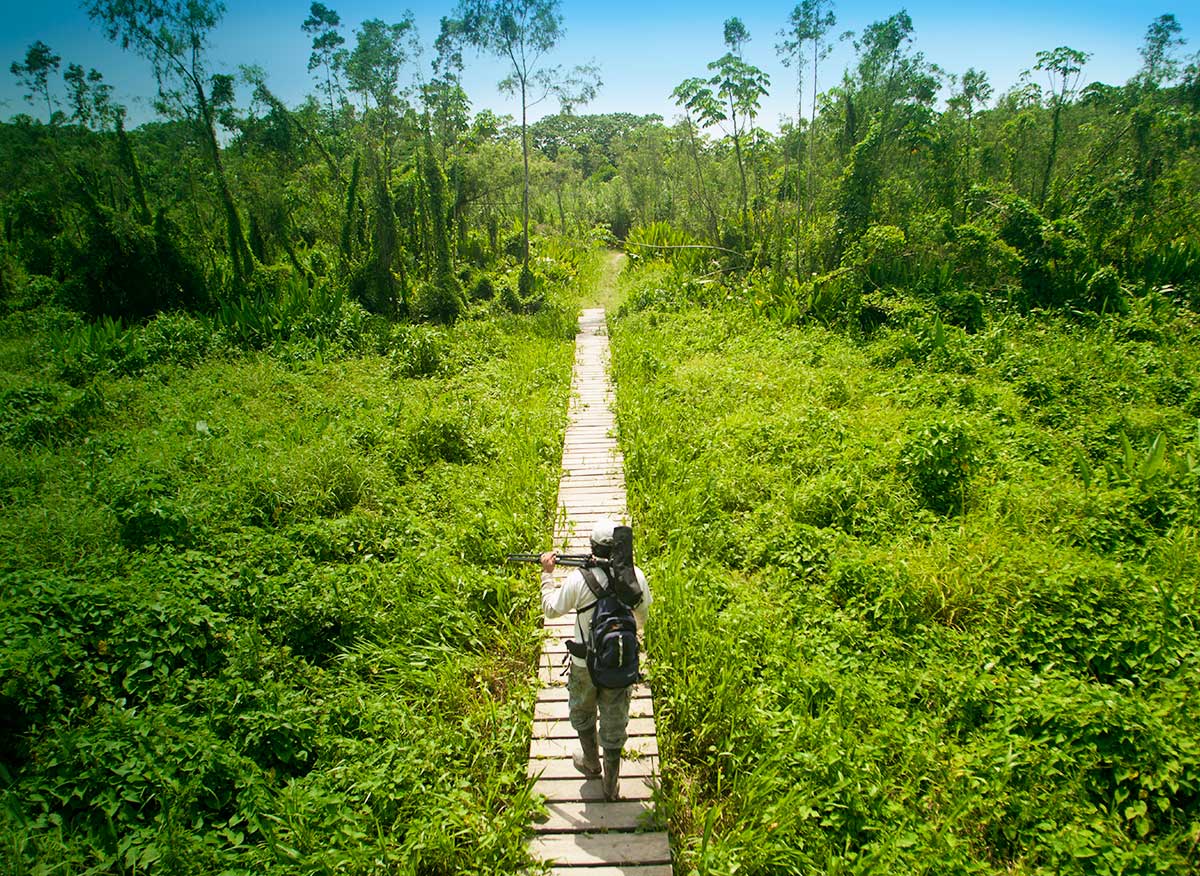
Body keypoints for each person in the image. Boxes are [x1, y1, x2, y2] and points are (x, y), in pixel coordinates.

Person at [540, 518, 651, 801]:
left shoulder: (579, 578)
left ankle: (591, 763)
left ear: (592, 547)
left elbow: (551, 610)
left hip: (584, 664)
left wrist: (547, 575)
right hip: (619, 662)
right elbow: (641, 618)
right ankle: (611, 787)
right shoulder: (635, 576)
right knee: (615, 723)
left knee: (582, 712)